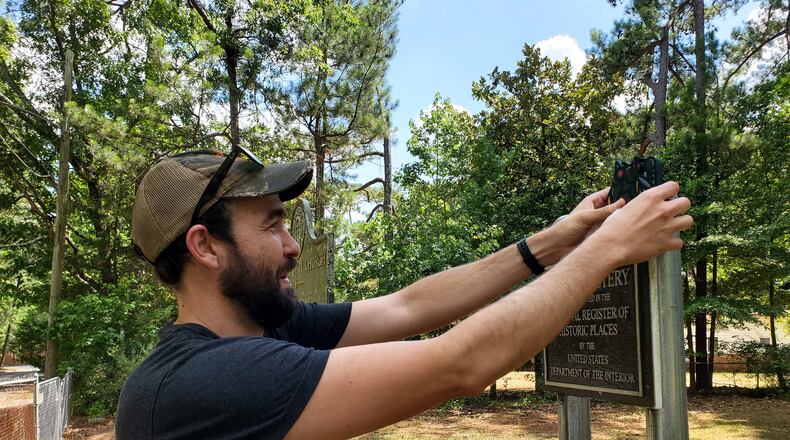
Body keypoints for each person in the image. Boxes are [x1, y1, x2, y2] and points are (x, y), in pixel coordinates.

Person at [116, 147, 692, 439]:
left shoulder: (267, 328)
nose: (292, 245)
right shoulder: (199, 383)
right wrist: (608, 248)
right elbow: (460, 364)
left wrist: (551, 244)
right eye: (271, 225)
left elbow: (407, 307)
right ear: (206, 247)